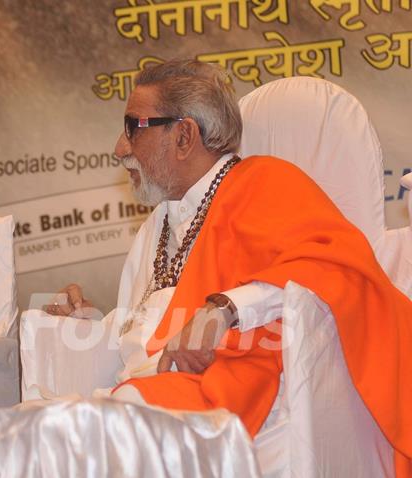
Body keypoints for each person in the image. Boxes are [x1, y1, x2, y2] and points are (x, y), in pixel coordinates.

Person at [44, 60, 411, 473]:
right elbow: (146, 333)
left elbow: (335, 263)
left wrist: (225, 310)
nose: (120, 147)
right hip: (143, 390)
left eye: (134, 127)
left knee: (84, 433)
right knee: (45, 432)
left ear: (184, 135)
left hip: (224, 389)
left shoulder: (265, 182)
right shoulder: (156, 226)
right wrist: (86, 321)